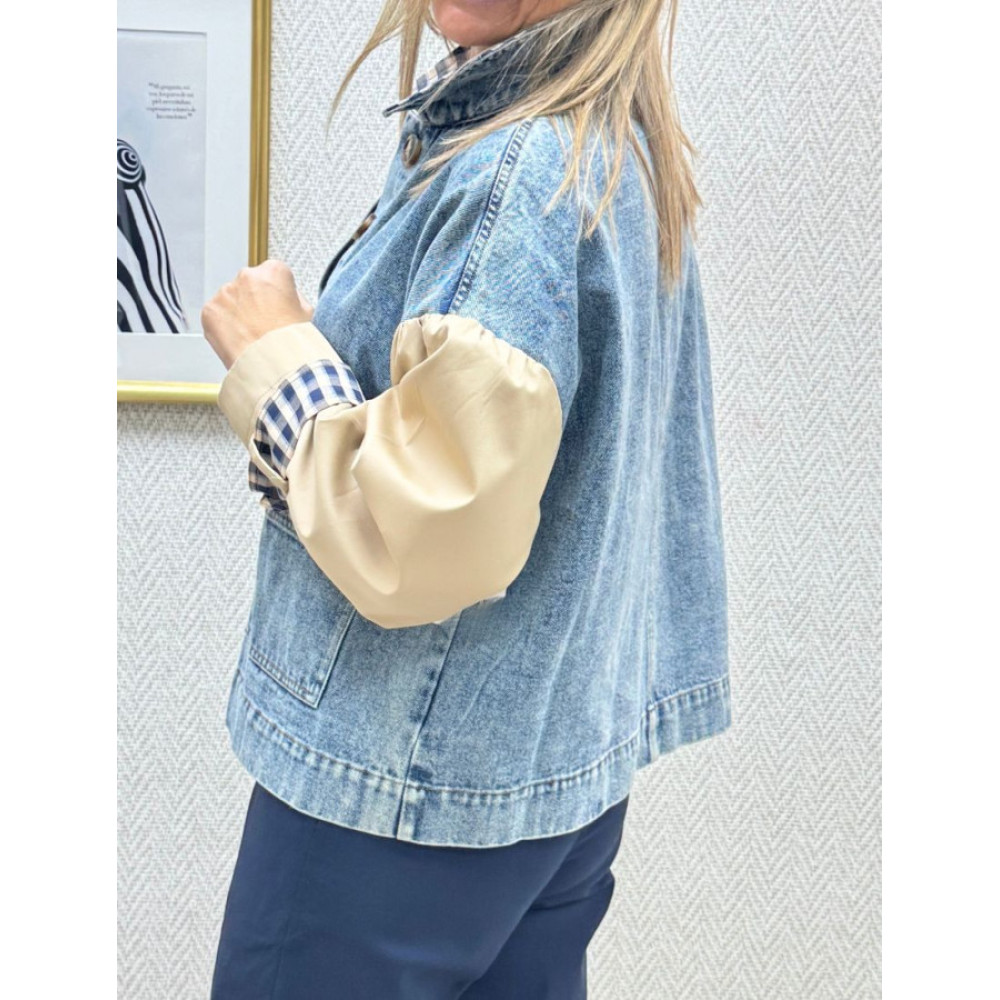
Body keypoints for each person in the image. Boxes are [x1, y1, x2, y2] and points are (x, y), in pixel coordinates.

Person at [204, 0, 731, 996]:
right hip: (546, 794)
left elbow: (423, 537)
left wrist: (273, 355)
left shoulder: (517, 170)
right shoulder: (616, 146)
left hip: (396, 798)